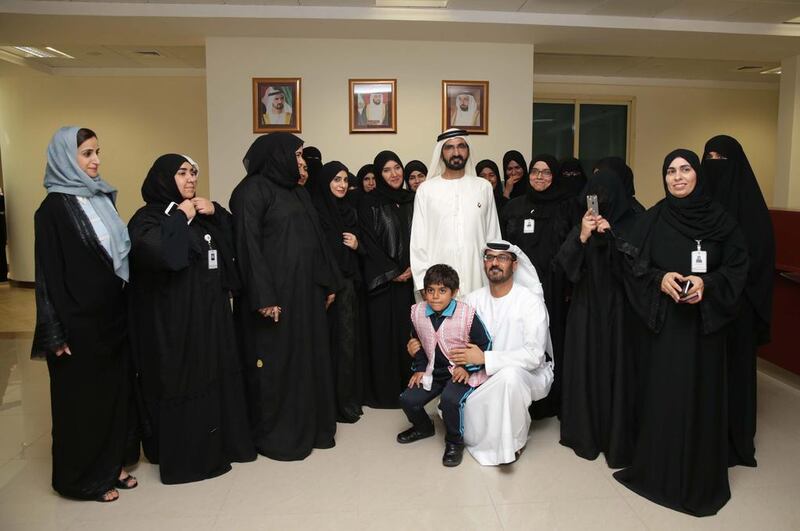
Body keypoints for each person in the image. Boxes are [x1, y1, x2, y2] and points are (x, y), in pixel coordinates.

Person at [613, 149, 748, 517]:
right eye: (670, 171)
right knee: (666, 397)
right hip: (666, 328)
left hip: (705, 328)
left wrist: (708, 284)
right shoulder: (655, 217)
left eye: (685, 169)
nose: (677, 177)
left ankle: (698, 476)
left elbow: (738, 268)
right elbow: (631, 263)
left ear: (698, 174)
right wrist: (661, 278)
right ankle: (659, 473)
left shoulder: (721, 220)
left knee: (701, 397)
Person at [127, 154, 256, 484]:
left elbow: (229, 247)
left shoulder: (199, 215)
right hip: (175, 324)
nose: (190, 180)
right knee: (185, 380)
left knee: (218, 375)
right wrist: (178, 220)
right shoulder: (148, 219)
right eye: (182, 173)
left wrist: (215, 212)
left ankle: (224, 445)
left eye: (193, 174)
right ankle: (190, 457)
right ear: (163, 178)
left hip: (211, 317)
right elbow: (163, 256)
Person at [32, 126, 135, 502]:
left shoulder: (101, 197)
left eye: (97, 152)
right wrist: (53, 332)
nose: (96, 161)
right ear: (65, 159)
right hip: (77, 323)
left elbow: (116, 255)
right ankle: (83, 479)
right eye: (87, 154)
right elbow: (46, 275)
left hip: (110, 315)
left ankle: (113, 465)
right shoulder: (52, 210)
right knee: (82, 403)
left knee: (113, 394)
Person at [229, 133, 342, 461]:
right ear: (277, 155)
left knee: (309, 359)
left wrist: (328, 283)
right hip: (275, 298)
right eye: (296, 155)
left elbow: (317, 240)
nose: (301, 161)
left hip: (307, 294)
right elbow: (247, 246)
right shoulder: (251, 191)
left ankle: (314, 429)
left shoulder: (297, 191)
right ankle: (279, 435)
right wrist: (264, 296)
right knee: (279, 364)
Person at [556, 169, 640, 468]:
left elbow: (639, 269)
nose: (600, 197)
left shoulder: (633, 221)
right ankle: (585, 432)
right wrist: (582, 236)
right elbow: (565, 266)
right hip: (586, 307)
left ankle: (617, 436)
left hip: (620, 311)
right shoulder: (583, 222)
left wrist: (612, 236)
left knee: (618, 369)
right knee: (585, 366)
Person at [702, 134, 775, 468]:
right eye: (709, 157)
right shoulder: (698, 203)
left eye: (721, 158)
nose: (714, 165)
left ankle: (736, 440)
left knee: (736, 374)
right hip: (702, 305)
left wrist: (729, 286)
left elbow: (759, 261)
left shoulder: (752, 212)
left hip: (738, 308)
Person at [453, 240, 554, 465]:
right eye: (489, 258)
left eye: (502, 258)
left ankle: (511, 445)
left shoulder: (529, 302)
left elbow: (534, 355)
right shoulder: (473, 300)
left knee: (510, 377)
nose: (494, 263)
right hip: (481, 377)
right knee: (460, 409)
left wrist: (486, 358)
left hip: (528, 375)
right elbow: (454, 336)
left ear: (514, 265)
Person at [499, 154, 576, 419]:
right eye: (535, 172)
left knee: (551, 339)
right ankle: (522, 398)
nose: (539, 177)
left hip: (554, 286)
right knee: (522, 339)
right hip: (519, 288)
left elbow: (573, 247)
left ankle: (551, 399)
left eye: (546, 172)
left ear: (554, 176)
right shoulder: (514, 207)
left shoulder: (567, 206)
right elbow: (504, 246)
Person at [397, 264, 491, 467]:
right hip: (433, 371)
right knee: (407, 399)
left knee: (450, 400)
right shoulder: (418, 312)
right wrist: (421, 368)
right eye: (430, 291)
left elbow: (486, 344)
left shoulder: (467, 314)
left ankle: (455, 442)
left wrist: (467, 367)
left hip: (459, 373)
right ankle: (423, 427)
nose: (435, 297)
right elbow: (418, 341)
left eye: (442, 291)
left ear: (454, 292)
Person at [308, 160, 367, 423]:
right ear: (325, 182)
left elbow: (360, 248)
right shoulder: (316, 210)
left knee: (347, 345)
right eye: (336, 180)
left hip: (348, 286)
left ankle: (346, 400)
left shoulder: (349, 210)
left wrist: (358, 245)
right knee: (330, 345)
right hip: (327, 288)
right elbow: (316, 253)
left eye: (345, 180)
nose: (342, 185)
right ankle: (332, 403)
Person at [410, 129, 501, 297]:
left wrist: (494, 276)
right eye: (449, 147)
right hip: (438, 284)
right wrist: (424, 283)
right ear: (441, 153)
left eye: (461, 146)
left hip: (478, 280)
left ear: (468, 150)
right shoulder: (426, 190)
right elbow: (418, 241)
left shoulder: (483, 187)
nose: (456, 152)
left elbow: (493, 236)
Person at [358, 150, 415, 408]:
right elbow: (367, 241)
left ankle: (408, 387)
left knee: (408, 333)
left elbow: (425, 235)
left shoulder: (412, 199)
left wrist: (415, 267)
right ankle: (384, 392)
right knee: (382, 335)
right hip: (382, 282)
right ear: (379, 174)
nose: (394, 174)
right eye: (386, 170)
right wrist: (392, 271)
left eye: (397, 168)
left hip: (411, 279)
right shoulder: (368, 202)